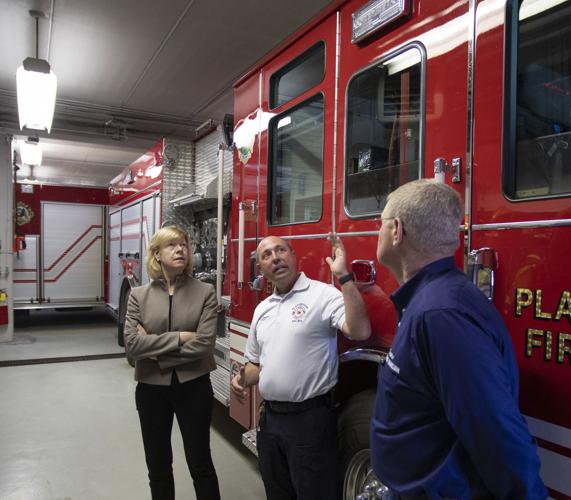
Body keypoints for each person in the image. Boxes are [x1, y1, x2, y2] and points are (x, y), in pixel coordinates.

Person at [371, 179, 547, 499]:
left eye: (380, 223)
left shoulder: (439, 314)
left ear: (397, 230)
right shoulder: (433, 300)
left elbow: (493, 427)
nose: (377, 231)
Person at [231, 234, 371, 500]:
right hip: (270, 422)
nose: (275, 258)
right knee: (277, 492)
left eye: (280, 250)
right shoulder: (263, 309)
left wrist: (344, 278)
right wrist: (241, 379)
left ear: (294, 255)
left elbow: (360, 330)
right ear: (260, 268)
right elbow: (256, 364)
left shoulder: (322, 295)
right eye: (266, 255)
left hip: (310, 421)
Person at [124, 225, 220, 500]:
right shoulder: (138, 296)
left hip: (194, 388)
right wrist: (179, 337)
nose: (181, 250)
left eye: (184, 245)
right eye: (172, 245)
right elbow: (132, 345)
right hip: (151, 391)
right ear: (156, 254)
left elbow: (204, 344)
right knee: (158, 465)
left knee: (200, 463)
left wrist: (152, 350)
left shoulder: (205, 292)